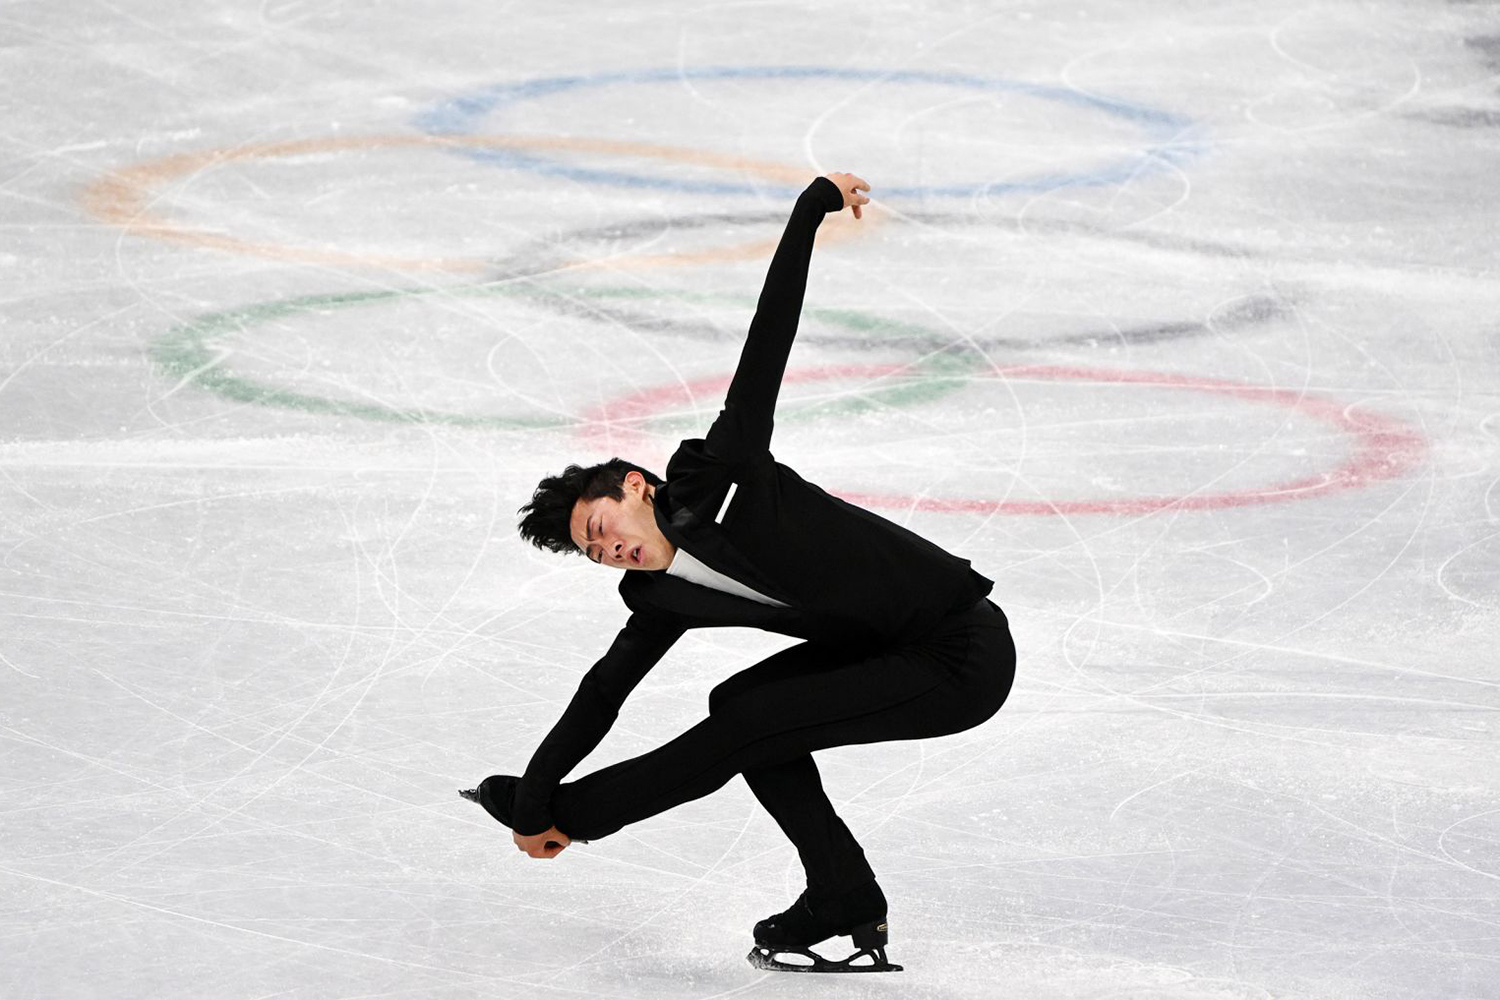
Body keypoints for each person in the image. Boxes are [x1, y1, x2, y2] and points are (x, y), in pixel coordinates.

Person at [463, 172, 1015, 974]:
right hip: (885, 651)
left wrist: (811, 207)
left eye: (600, 528)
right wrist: (535, 793)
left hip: (960, 650)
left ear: (634, 487)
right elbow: (604, 690)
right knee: (741, 707)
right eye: (593, 552)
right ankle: (843, 893)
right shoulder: (657, 594)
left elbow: (769, 335)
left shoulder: (722, 471)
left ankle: (587, 817)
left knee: (752, 721)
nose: (608, 550)